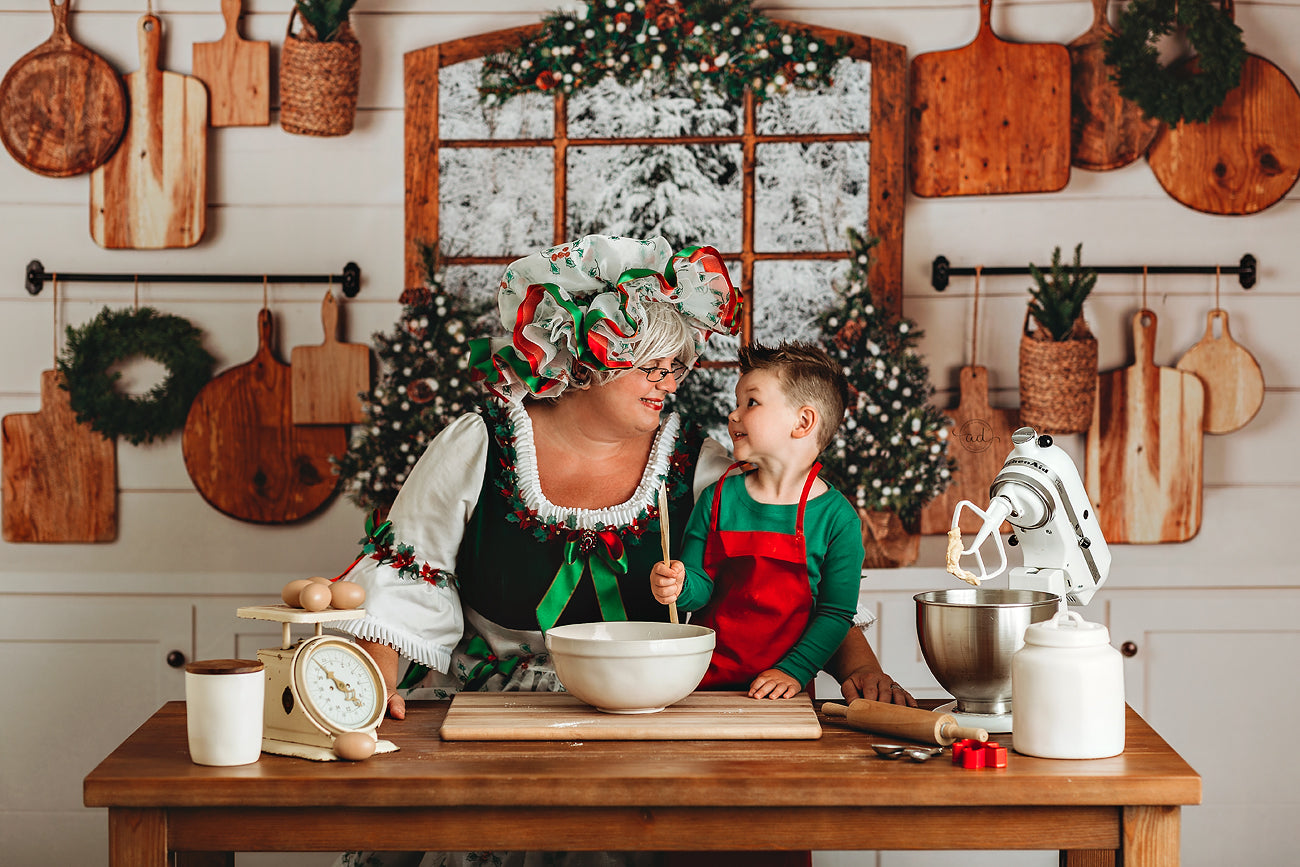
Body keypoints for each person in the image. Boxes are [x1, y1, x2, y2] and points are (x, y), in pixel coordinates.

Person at [328, 235, 913, 867]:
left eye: (677, 364)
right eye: (649, 362)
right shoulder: (481, 443)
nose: (669, 380)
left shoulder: (706, 467)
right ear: (584, 359)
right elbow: (408, 579)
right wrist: (372, 680)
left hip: (652, 718)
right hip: (500, 718)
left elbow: (793, 576)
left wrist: (859, 666)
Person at [649, 341, 862, 700]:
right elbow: (699, 590)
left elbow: (835, 613)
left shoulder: (838, 519)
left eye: (751, 402)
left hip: (779, 692)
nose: (734, 414)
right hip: (701, 685)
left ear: (803, 422)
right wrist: (678, 586)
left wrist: (792, 671)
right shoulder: (718, 498)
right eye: (737, 403)